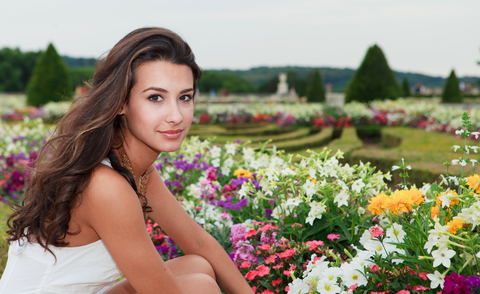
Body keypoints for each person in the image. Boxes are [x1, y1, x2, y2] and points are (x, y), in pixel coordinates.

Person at [0, 27, 254, 294]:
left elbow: (199, 243)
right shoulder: (106, 186)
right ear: (121, 102)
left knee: (198, 265)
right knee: (200, 286)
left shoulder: (133, 168)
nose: (176, 115)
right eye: (155, 97)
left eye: (185, 97)